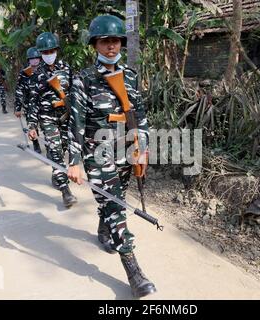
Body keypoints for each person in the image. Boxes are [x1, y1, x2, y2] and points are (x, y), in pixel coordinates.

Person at [67, 15, 156, 298]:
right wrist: (75, 161)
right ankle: (134, 271)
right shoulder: (83, 79)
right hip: (97, 153)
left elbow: (139, 113)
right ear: (95, 44)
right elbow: (76, 122)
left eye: (115, 41)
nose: (111, 47)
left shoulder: (130, 75)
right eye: (105, 41)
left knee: (117, 196)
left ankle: (104, 229)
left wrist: (143, 145)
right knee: (116, 206)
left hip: (126, 150)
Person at [27, 32, 77, 208]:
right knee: (55, 151)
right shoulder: (36, 74)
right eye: (45, 52)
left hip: (65, 116)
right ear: (40, 53)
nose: (49, 54)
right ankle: (65, 191)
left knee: (62, 148)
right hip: (47, 117)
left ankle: (56, 172)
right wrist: (31, 125)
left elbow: (75, 91)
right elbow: (32, 101)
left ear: (56, 50)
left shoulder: (66, 68)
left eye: (51, 50)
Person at [14, 47, 42, 153]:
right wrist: (18, 108)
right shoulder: (24, 73)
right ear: (28, 60)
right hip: (29, 105)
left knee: (45, 125)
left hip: (43, 104)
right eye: (32, 58)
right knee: (32, 126)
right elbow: (19, 91)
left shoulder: (44, 70)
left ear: (40, 59)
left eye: (36, 58)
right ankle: (36, 144)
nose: (34, 60)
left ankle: (50, 147)